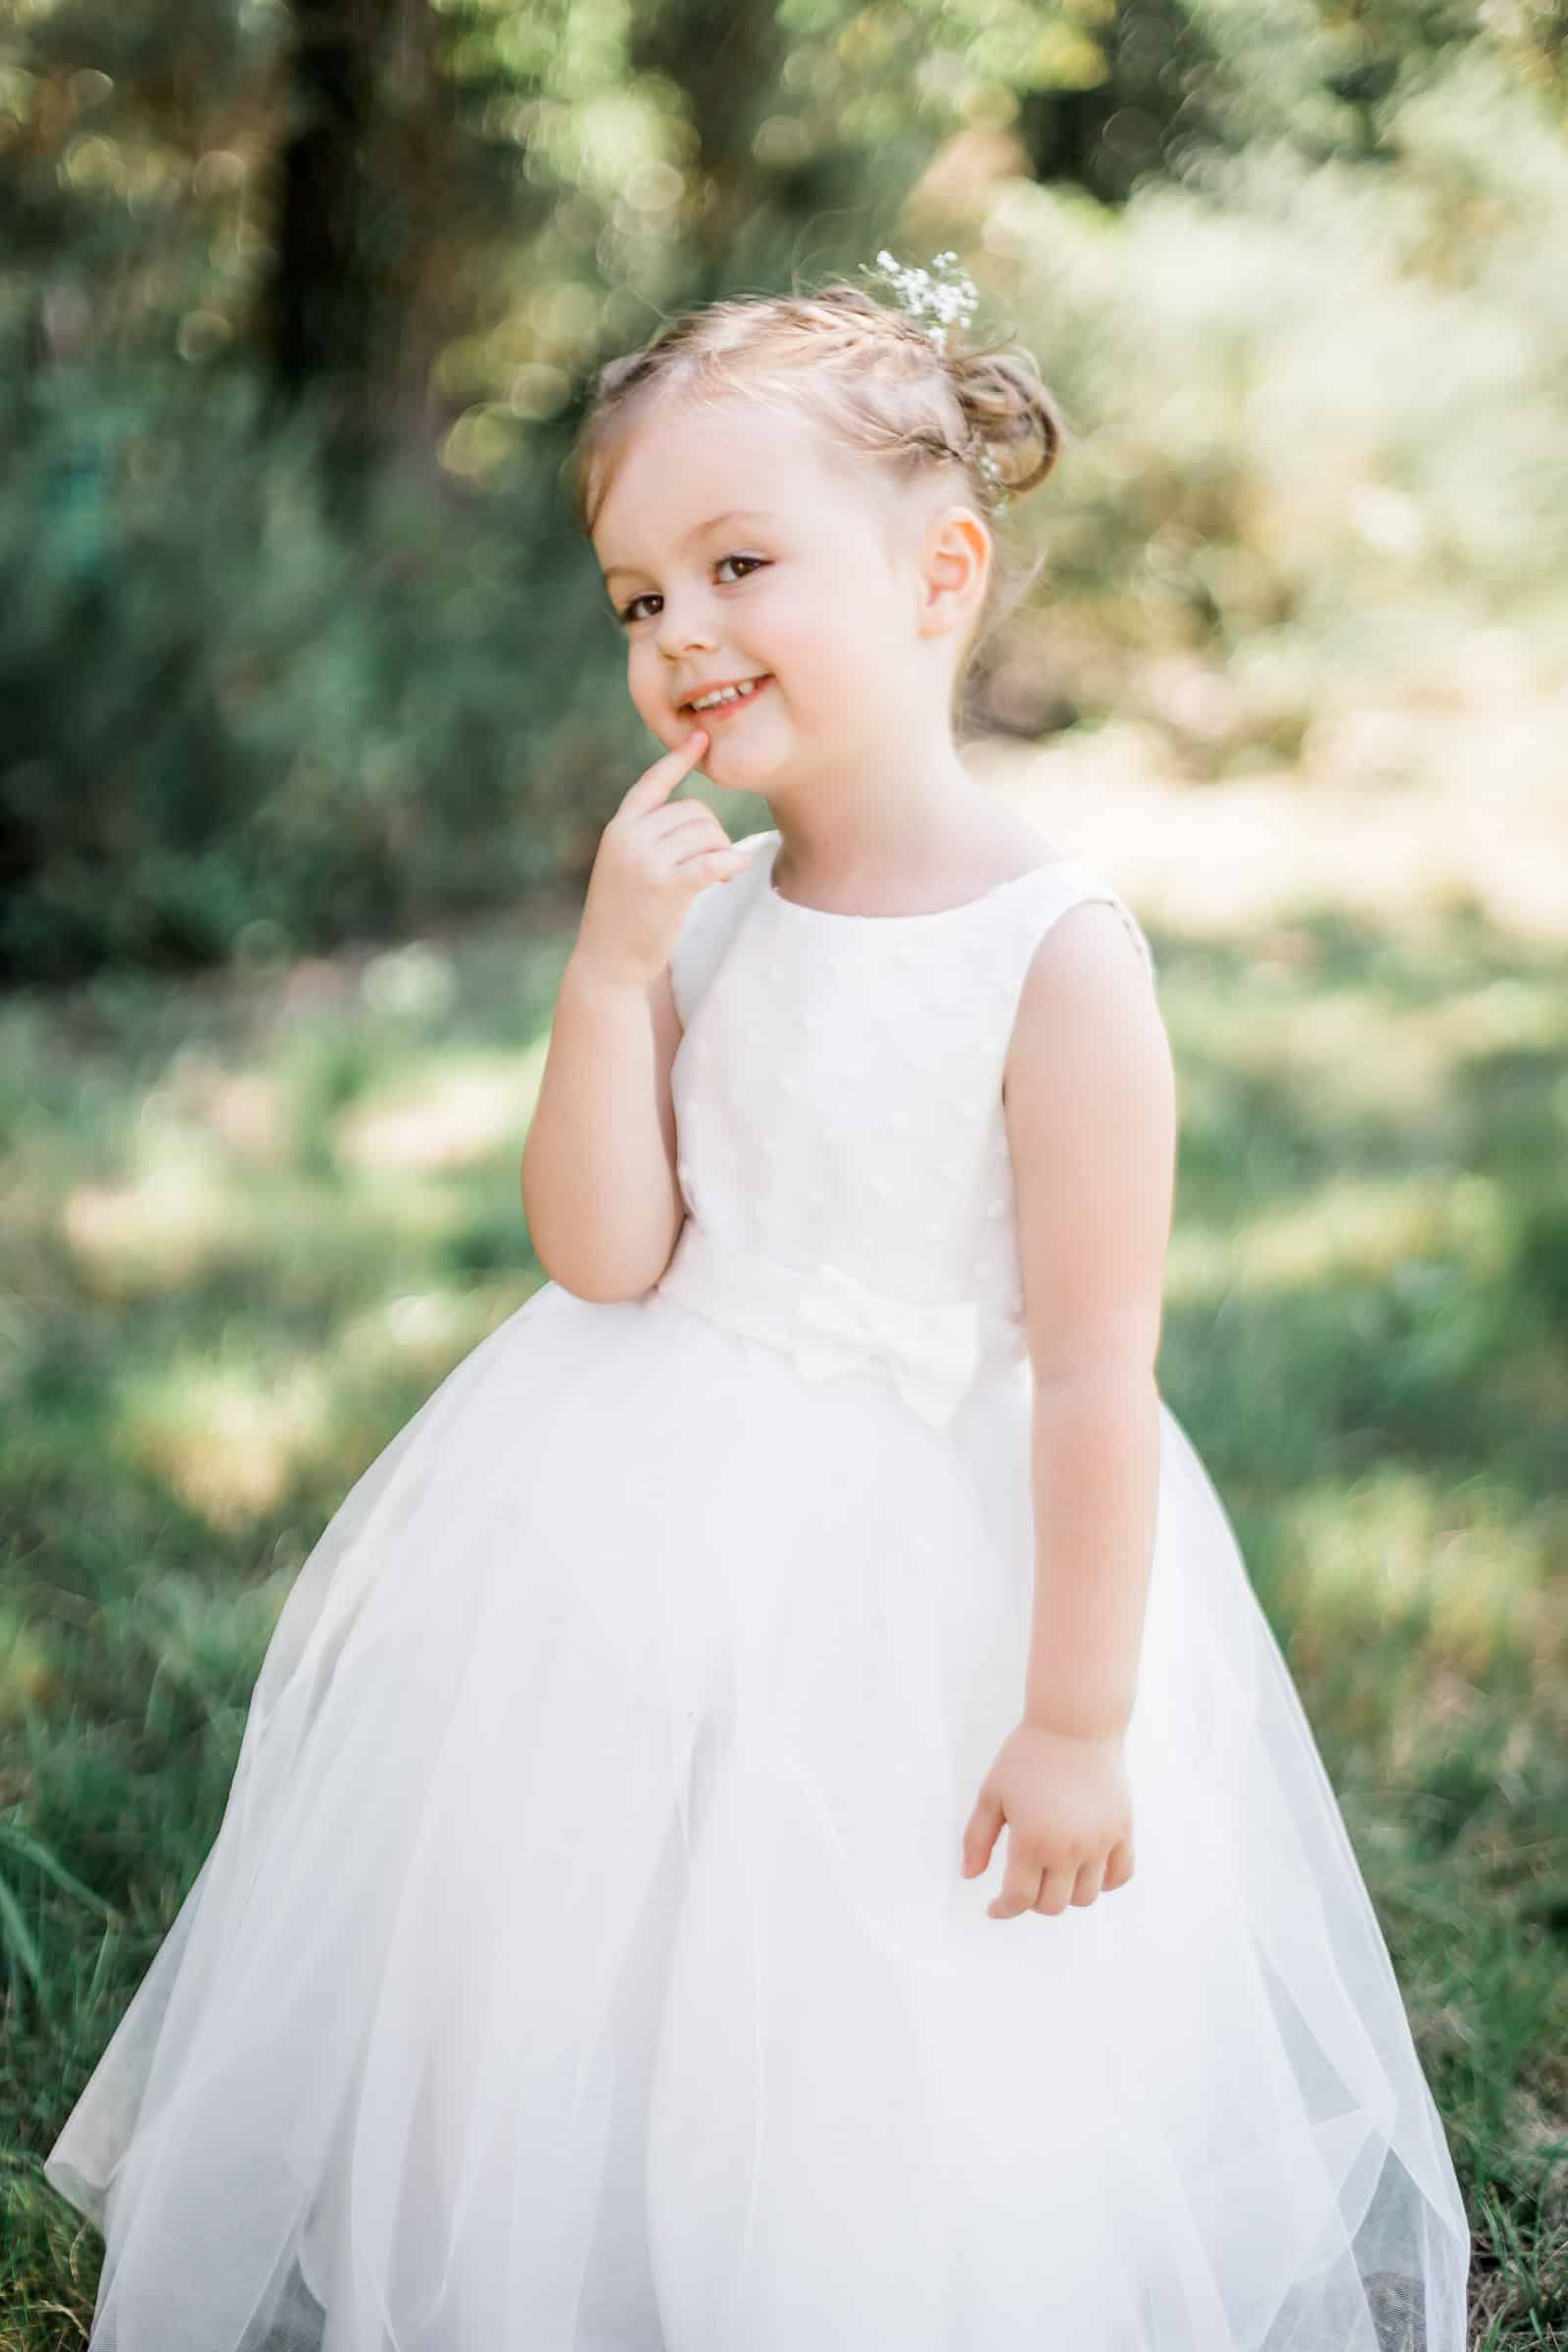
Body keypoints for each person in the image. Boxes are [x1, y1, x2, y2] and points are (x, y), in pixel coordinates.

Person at [44, 251, 1471, 2352]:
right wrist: (610, 974)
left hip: (933, 1564)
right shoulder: (710, 907)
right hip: (645, 1492)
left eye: (735, 562)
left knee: (873, 1980)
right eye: (637, 596)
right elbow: (603, 1251)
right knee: (603, 1928)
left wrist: (1075, 1718)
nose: (680, 630)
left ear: (937, 573)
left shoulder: (1052, 954)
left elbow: (1091, 1369)